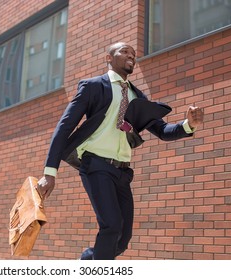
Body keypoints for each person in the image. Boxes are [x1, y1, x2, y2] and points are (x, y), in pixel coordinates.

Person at [37, 42, 204, 260]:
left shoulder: (138, 96)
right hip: (96, 165)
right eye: (124, 51)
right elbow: (65, 126)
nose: (130, 56)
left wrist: (188, 125)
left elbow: (162, 130)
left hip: (123, 173)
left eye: (133, 54)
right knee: (112, 226)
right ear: (109, 58)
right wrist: (50, 172)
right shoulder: (93, 86)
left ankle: (87, 261)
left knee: (123, 237)